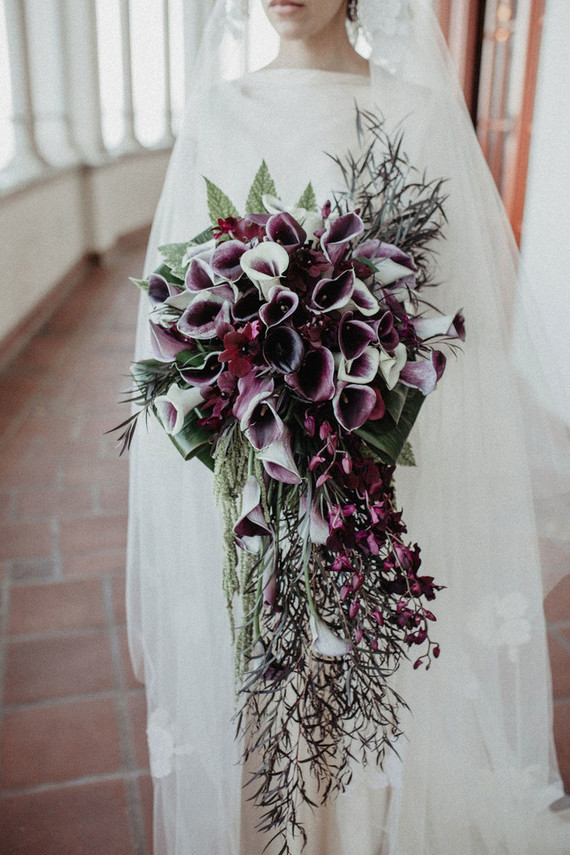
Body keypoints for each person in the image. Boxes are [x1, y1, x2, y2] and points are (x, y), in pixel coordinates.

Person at [126, 1, 570, 852]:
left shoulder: (417, 111)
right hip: (252, 455)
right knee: (265, 660)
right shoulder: (219, 111)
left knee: (359, 664)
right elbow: (174, 294)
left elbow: (450, 307)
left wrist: (353, 390)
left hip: (370, 452)